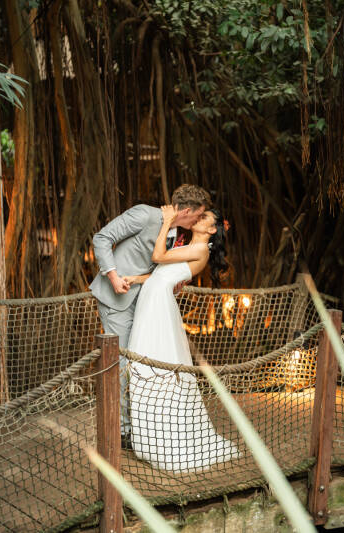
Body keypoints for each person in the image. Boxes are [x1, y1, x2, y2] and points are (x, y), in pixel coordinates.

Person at [123, 206, 239, 471]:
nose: (198, 217)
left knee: (156, 365)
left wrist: (166, 221)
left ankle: (167, 439)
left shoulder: (201, 249)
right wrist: (136, 278)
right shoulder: (189, 246)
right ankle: (150, 439)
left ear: (212, 229)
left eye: (205, 217)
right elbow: (160, 275)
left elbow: (158, 256)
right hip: (152, 301)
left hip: (158, 308)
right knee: (145, 366)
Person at [90, 184, 211, 438]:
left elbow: (157, 269)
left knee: (139, 362)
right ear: (187, 211)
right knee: (121, 363)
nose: (199, 220)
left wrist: (171, 282)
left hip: (145, 304)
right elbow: (102, 238)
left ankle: (137, 425)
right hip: (117, 299)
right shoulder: (145, 214)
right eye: (198, 215)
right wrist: (113, 277)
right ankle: (122, 431)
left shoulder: (175, 233)